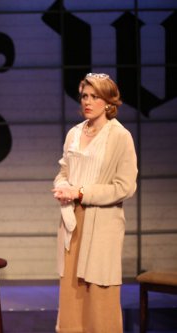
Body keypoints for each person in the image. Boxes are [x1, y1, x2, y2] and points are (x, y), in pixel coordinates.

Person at [51, 73, 138, 333]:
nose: (88, 102)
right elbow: (64, 170)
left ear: (108, 101)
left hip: (102, 223)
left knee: (100, 291)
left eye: (95, 97)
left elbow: (125, 187)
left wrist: (81, 192)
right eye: (85, 96)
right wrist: (62, 185)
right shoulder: (74, 133)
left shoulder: (119, 136)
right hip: (72, 219)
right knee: (72, 289)